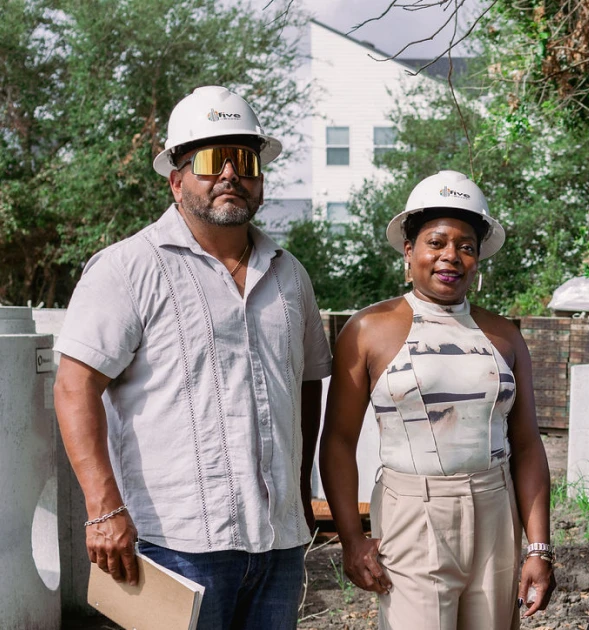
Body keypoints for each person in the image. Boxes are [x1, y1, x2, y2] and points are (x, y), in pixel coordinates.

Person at [53, 85, 332, 628]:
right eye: (209, 160)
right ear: (177, 179)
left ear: (260, 178)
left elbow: (305, 384)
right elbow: (73, 386)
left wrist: (299, 496)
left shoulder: (290, 275)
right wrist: (103, 510)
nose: (230, 174)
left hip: (277, 548)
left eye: (244, 160)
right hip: (172, 544)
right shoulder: (126, 269)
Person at [319, 170, 556, 629]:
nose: (451, 256)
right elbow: (339, 440)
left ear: (479, 259)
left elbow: (527, 444)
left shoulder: (503, 335)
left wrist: (538, 546)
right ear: (409, 251)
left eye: (466, 246)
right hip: (411, 512)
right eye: (436, 242)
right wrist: (352, 538)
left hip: (494, 509)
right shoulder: (369, 330)